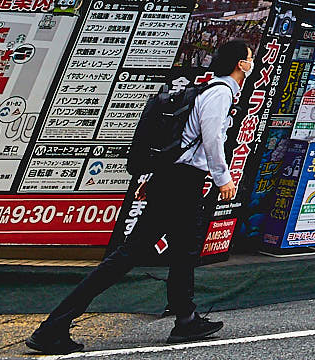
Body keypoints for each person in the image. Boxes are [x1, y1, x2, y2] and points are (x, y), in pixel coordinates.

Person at [29, 40, 252, 353]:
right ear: (240, 64)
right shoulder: (219, 92)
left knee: (181, 251)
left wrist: (152, 177)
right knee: (130, 256)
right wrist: (223, 178)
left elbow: (180, 138)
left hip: (172, 179)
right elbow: (212, 138)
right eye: (249, 58)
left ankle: (186, 319)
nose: (251, 62)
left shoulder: (207, 90)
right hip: (182, 183)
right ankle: (53, 326)